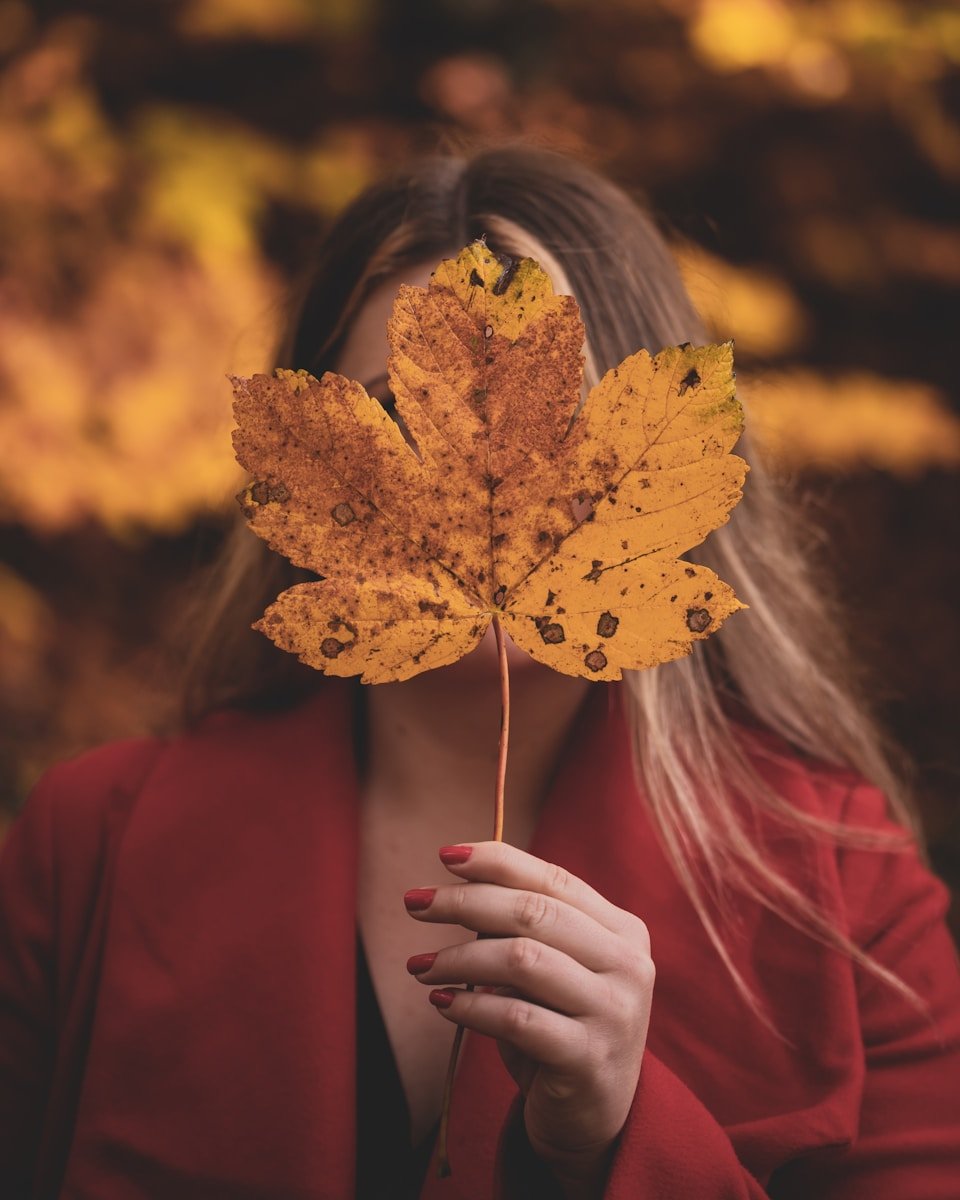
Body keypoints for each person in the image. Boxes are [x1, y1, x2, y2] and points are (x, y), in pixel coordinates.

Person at [1, 144, 958, 1200]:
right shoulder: (87, 840)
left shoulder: (840, 876)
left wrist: (613, 1143)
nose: (490, 495)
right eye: (397, 412)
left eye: (566, 424)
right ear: (309, 469)